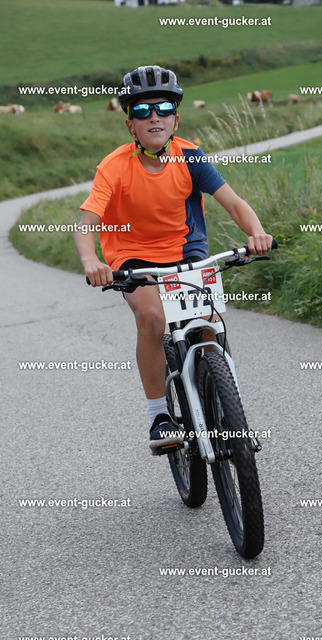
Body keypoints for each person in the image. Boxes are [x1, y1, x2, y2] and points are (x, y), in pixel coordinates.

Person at [74, 65, 272, 453]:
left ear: (175, 119)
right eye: (142, 110)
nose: (154, 117)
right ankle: (159, 416)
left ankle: (233, 416)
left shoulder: (191, 157)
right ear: (131, 125)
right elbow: (86, 225)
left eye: (163, 108)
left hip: (186, 253)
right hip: (133, 257)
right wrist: (90, 262)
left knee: (210, 325)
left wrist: (256, 233)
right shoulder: (113, 167)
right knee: (151, 318)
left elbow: (233, 203)